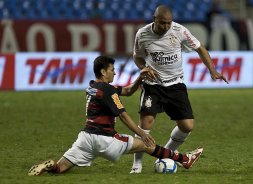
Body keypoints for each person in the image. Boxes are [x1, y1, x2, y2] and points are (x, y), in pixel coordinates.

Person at [28, 56, 203, 176]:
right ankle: (184, 159)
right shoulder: (108, 91)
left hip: (85, 139)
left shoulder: (92, 86)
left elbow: (126, 91)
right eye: (112, 70)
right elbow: (123, 116)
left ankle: (49, 166)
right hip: (105, 140)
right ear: (103, 72)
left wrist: (139, 78)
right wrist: (142, 133)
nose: (115, 72)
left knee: (61, 168)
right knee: (147, 145)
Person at [130, 5, 228, 174]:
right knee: (146, 123)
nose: (166, 26)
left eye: (169, 23)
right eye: (162, 23)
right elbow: (137, 56)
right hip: (153, 86)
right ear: (155, 19)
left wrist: (212, 70)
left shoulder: (179, 31)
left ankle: (167, 155)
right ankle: (136, 166)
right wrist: (143, 68)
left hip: (176, 84)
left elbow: (200, 47)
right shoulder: (142, 34)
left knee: (187, 126)